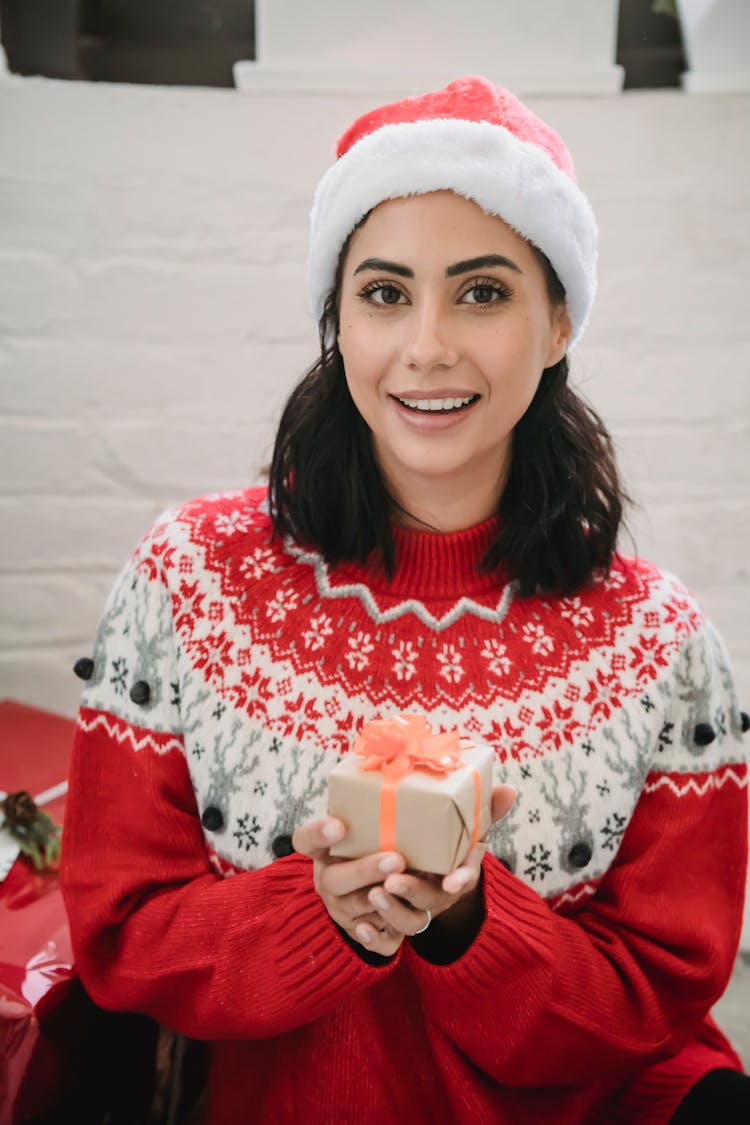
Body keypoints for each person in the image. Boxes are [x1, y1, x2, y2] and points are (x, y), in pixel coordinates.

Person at [60, 76, 750, 1123]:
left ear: (559, 321)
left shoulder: (659, 645)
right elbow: (120, 936)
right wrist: (319, 913)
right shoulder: (188, 581)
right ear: (337, 318)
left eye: (483, 292)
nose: (428, 345)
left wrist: (471, 926)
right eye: (385, 293)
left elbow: (657, 992)